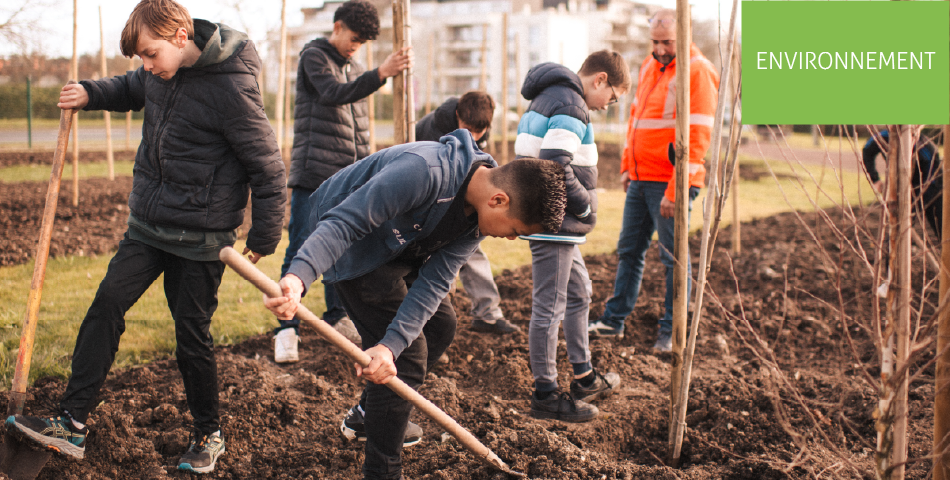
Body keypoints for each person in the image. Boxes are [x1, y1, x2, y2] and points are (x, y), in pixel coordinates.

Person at [6, 0, 286, 474]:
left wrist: (265, 234)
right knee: (106, 306)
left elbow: (268, 166)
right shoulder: (157, 75)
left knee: (190, 337)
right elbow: (128, 87)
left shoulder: (233, 88)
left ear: (181, 36)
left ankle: (207, 433)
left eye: (150, 54)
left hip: (202, 239)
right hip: (148, 226)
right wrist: (89, 93)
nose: (146, 65)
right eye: (141, 57)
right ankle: (72, 423)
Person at [264, 130, 567, 480]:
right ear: (498, 200)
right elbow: (346, 224)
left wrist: (388, 347)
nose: (512, 238)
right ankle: (382, 471)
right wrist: (298, 277)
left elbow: (435, 282)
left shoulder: (477, 218)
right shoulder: (425, 171)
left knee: (440, 326)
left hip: (401, 248)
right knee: (407, 360)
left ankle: (371, 412)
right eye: (516, 229)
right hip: (353, 244)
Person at [276, 0, 413, 363]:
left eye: (361, 42)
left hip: (347, 176)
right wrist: (381, 73)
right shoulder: (314, 57)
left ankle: (336, 316)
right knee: (302, 245)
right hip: (314, 172)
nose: (356, 47)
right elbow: (334, 94)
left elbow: (357, 126)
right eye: (353, 38)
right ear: (337, 27)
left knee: (342, 248)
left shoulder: (355, 66)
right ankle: (286, 328)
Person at [588, 9, 719, 352]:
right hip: (642, 178)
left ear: (686, 35)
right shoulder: (649, 66)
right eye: (655, 42)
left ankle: (672, 331)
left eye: (667, 43)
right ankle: (613, 321)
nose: (659, 49)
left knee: (673, 258)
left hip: (670, 183)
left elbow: (698, 136)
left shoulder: (698, 72)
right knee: (629, 251)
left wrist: (676, 188)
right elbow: (636, 121)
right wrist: (628, 167)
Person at [515, 50, 630, 423]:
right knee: (549, 307)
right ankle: (546, 394)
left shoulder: (550, 95)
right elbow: (552, 165)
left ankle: (584, 377)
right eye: (612, 97)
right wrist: (584, 207)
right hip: (556, 223)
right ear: (600, 79)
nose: (608, 105)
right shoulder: (571, 105)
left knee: (579, 291)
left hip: (554, 222)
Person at [415, 91, 519, 334]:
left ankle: (487, 314)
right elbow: (433, 177)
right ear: (457, 116)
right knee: (433, 263)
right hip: (428, 199)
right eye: (467, 129)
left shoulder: (481, 124)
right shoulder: (434, 131)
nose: (472, 136)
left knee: (472, 249)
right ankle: (427, 322)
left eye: (479, 131)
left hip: (461, 199)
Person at [862, 128, 942, 298]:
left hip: (932, 186)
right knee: (896, 230)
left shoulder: (924, 146)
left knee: (942, 230)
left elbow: (932, 175)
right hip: (904, 187)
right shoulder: (885, 137)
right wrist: (875, 180)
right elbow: (867, 151)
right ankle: (891, 280)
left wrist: (917, 198)